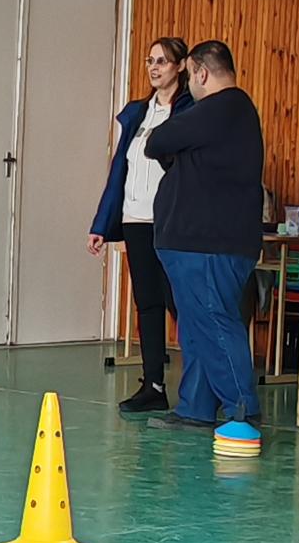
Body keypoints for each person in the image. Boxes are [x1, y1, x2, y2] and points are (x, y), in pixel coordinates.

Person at [143, 40, 265, 431]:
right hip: (198, 242)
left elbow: (157, 142)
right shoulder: (229, 114)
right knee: (197, 327)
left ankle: (242, 409)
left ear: (200, 72)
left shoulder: (222, 106)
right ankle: (195, 407)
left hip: (207, 243)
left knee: (212, 322)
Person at [89, 37, 194, 414]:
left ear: (180, 66)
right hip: (136, 219)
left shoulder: (190, 110)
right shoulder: (137, 113)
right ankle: (153, 385)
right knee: (147, 303)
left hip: (172, 220)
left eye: (162, 61)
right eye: (150, 61)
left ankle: (201, 385)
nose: (154, 67)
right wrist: (102, 223)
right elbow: (120, 170)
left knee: (180, 303)